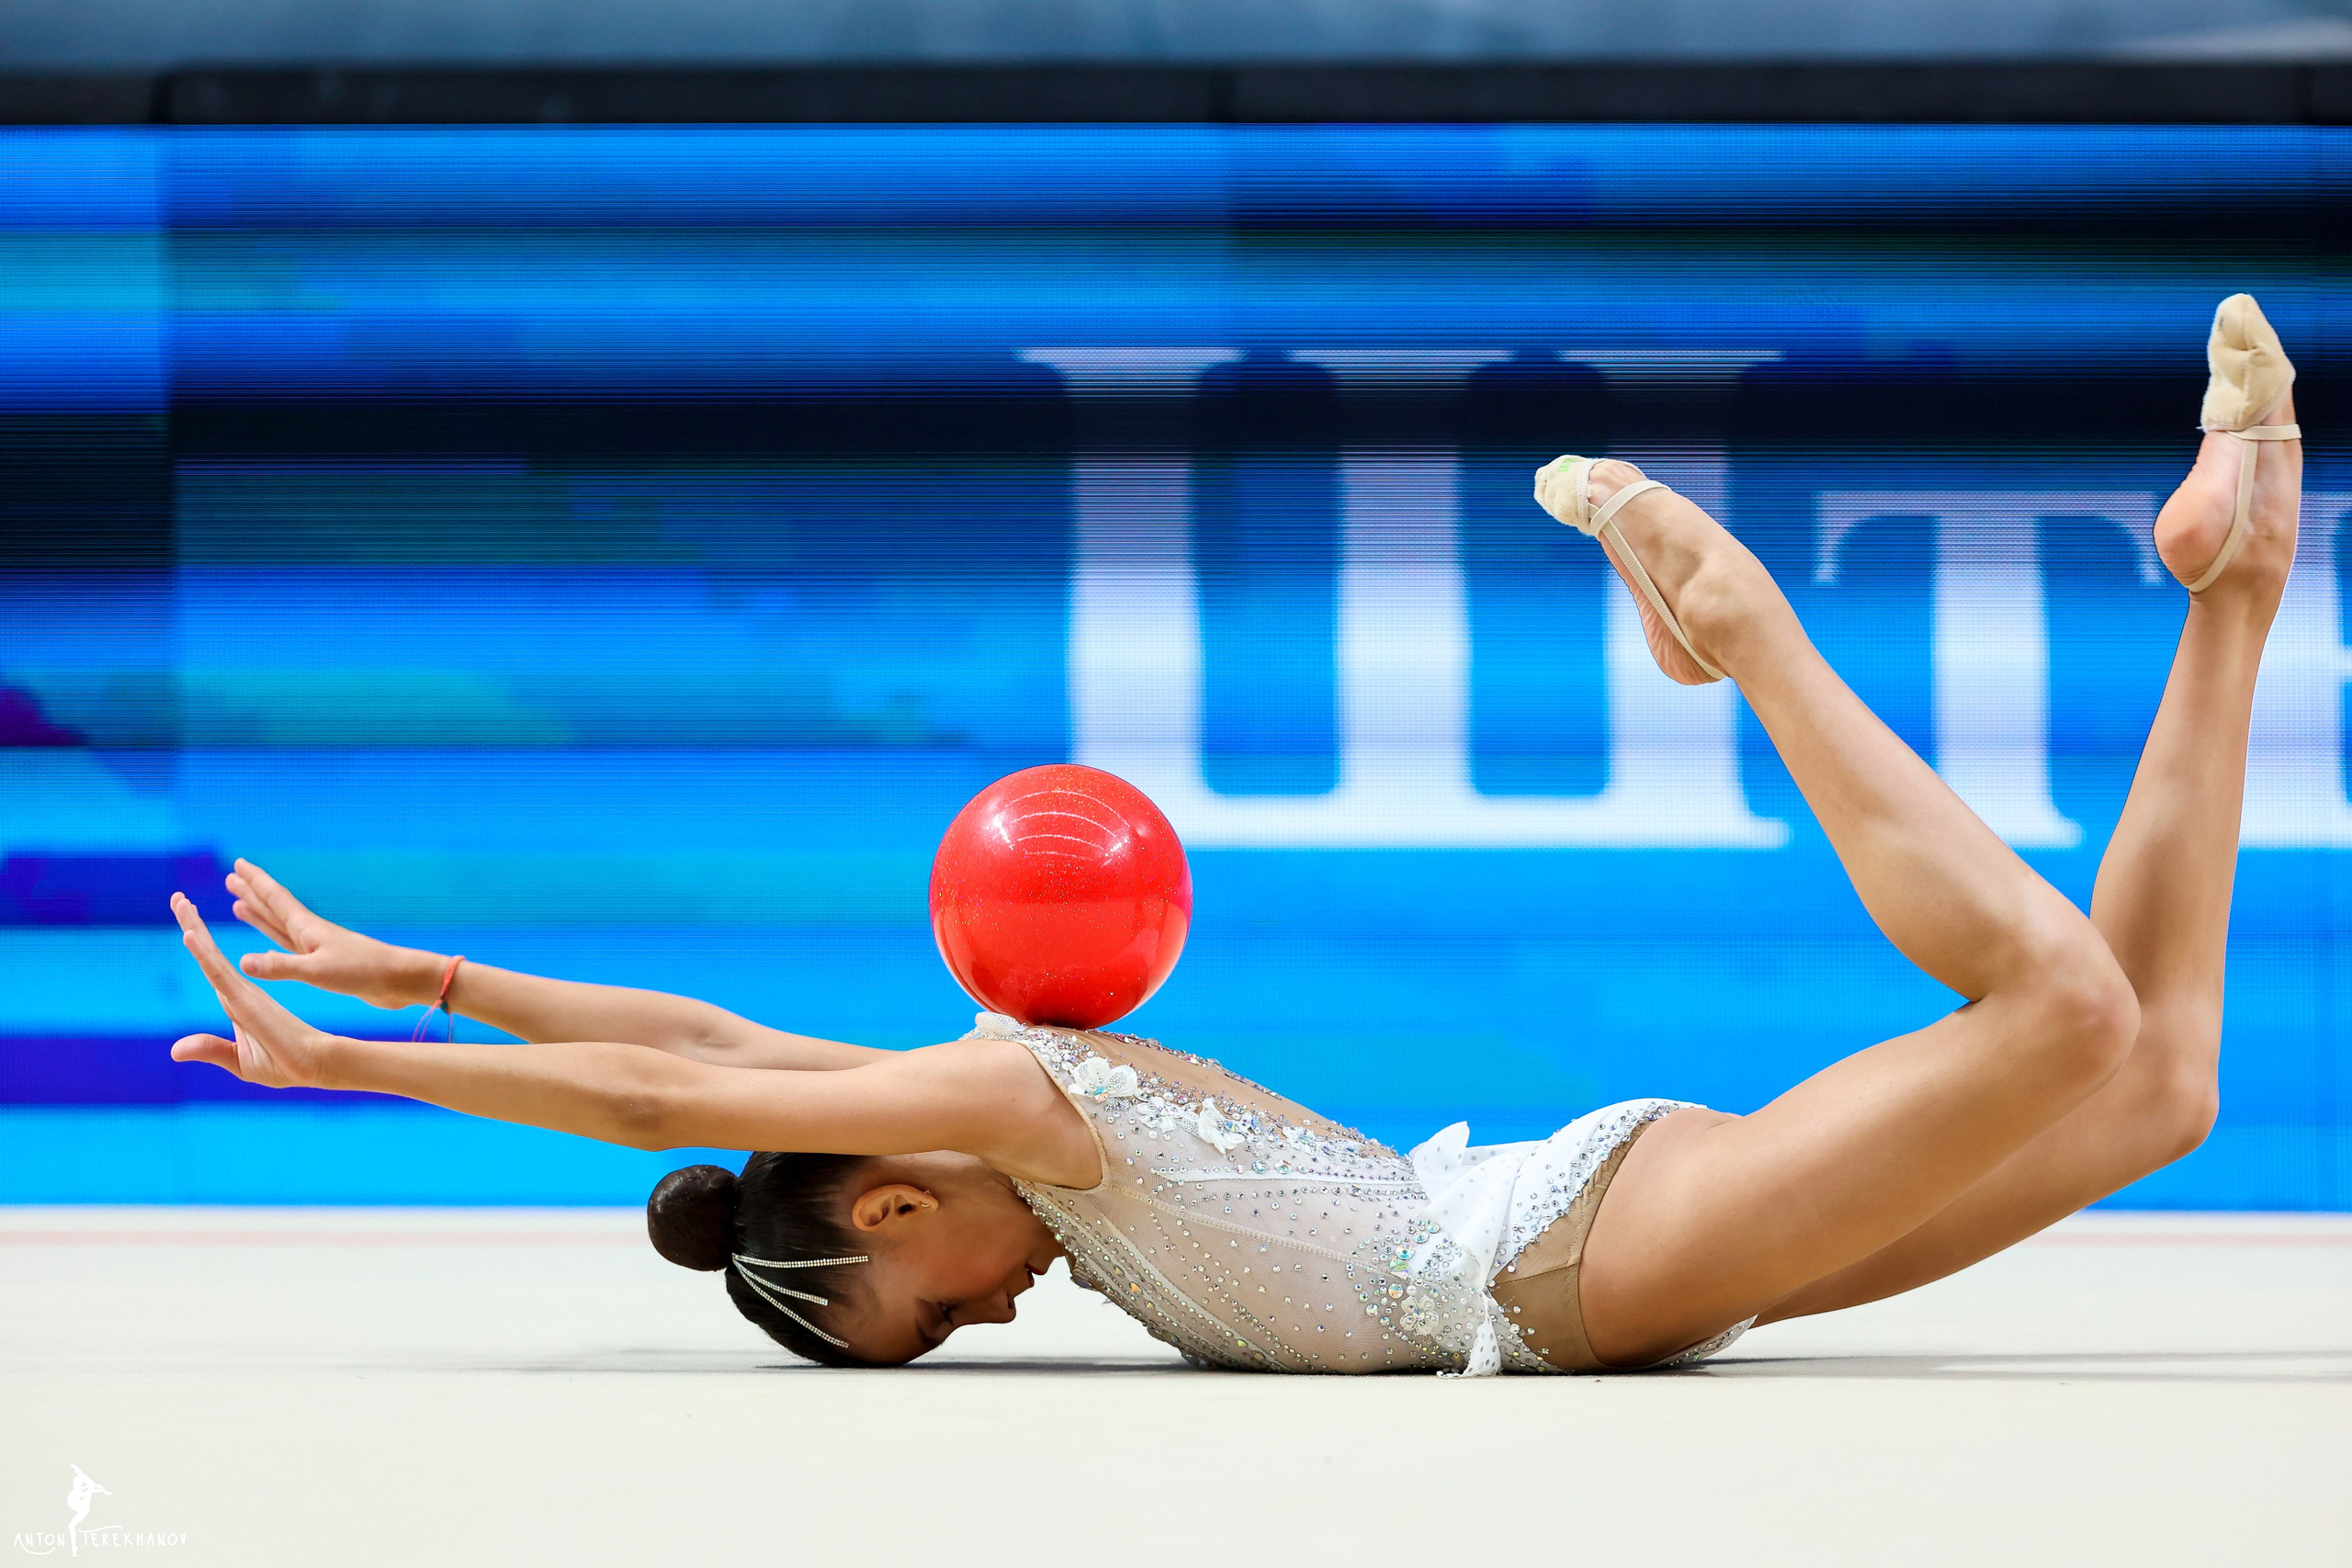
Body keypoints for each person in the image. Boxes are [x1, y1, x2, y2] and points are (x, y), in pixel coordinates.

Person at [166, 295, 2301, 1376]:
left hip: (1557, 1259)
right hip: (1573, 1247)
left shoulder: (1013, 1100)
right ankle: (2232, 578)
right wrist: (429, 967)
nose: (993, 1323)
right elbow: (710, 1050)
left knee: (2050, 1008)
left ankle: (1736, 624)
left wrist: (362, 1058)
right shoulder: (981, 1136)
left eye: (930, 1310)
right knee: (2159, 1082)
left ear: (896, 1200)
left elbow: (659, 1085)